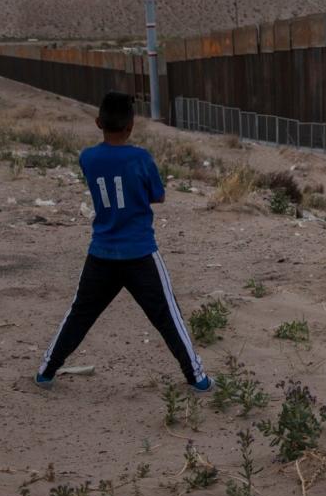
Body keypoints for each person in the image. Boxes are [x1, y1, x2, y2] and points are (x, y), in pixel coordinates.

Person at [35, 91, 212, 392]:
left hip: (101, 252)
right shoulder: (141, 158)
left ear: (98, 122)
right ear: (131, 125)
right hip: (139, 252)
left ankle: (46, 370)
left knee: (80, 314)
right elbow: (158, 195)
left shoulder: (87, 157)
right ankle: (197, 378)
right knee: (168, 316)